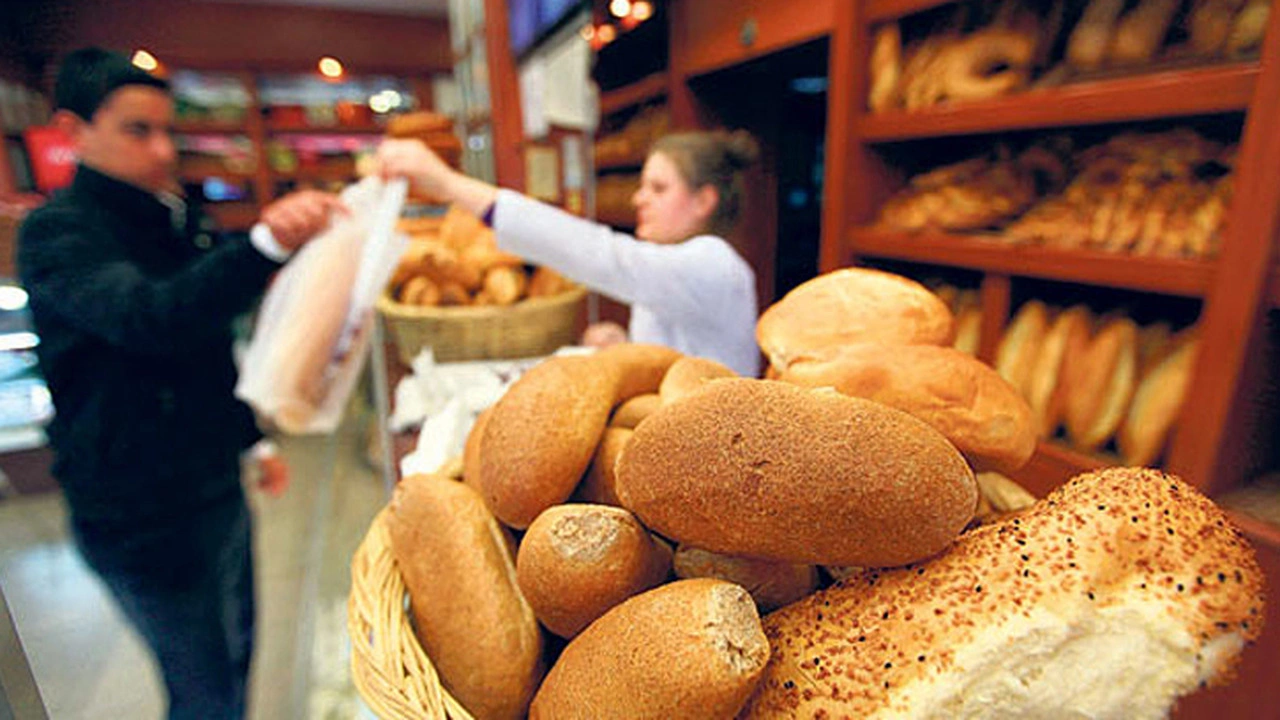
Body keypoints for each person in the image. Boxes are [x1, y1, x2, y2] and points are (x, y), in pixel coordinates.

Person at [17, 48, 342, 719]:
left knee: (240, 652)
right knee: (202, 688)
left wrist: (250, 441)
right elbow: (151, 317)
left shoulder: (174, 215)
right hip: (136, 512)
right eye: (139, 130)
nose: (164, 150)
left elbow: (205, 347)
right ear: (74, 131)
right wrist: (264, 247)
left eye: (171, 131)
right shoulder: (57, 233)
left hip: (214, 483)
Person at [377, 130, 762, 376]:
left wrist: (448, 183)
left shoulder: (714, 263)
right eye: (643, 186)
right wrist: (624, 348)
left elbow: (602, 254)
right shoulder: (669, 264)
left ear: (703, 201)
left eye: (658, 189)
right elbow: (675, 360)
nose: (638, 198)